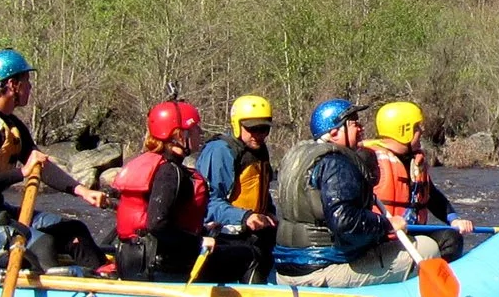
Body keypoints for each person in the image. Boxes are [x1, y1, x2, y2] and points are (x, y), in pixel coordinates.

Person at [0, 50, 110, 271]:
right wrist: (21, 173)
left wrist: (82, 191)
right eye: (27, 81)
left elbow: (40, 165)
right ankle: (57, 292)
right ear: (12, 84)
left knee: (74, 230)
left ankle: (104, 283)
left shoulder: (12, 124)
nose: (30, 87)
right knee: (42, 245)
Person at [271, 97, 432, 286]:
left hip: (285, 271)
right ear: (334, 132)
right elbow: (345, 222)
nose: (362, 128)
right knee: (428, 248)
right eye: (355, 123)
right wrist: (387, 224)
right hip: (320, 271)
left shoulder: (297, 156)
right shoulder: (336, 163)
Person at [111, 100, 209, 281]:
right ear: (180, 135)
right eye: (195, 129)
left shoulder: (158, 164)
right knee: (246, 255)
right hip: (158, 265)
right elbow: (156, 224)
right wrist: (198, 241)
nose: (200, 133)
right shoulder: (169, 172)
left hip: (134, 257)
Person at [366, 100, 476, 260]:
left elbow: (432, 197)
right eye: (417, 127)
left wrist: (454, 220)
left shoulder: (414, 161)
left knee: (451, 238)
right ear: (403, 131)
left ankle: (437, 278)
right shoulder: (368, 159)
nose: (422, 131)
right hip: (382, 236)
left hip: (410, 231)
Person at [193, 93, 277, 283]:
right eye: (253, 129)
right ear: (237, 125)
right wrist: (245, 217)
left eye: (264, 129)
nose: (259, 134)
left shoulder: (259, 150)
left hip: (253, 238)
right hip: (224, 238)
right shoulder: (220, 151)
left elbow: (260, 192)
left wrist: (269, 212)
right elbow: (208, 204)